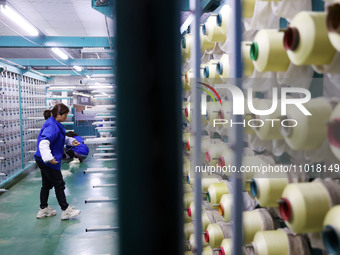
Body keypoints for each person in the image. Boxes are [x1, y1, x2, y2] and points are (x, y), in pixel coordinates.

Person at [34, 103, 81, 220]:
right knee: (59, 184)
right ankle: (65, 210)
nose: (66, 117)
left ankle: (43, 209)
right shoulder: (51, 126)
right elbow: (44, 142)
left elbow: (59, 137)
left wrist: (70, 141)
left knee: (46, 184)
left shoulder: (55, 123)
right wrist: (49, 158)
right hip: (48, 160)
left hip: (42, 159)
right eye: (65, 115)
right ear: (58, 114)